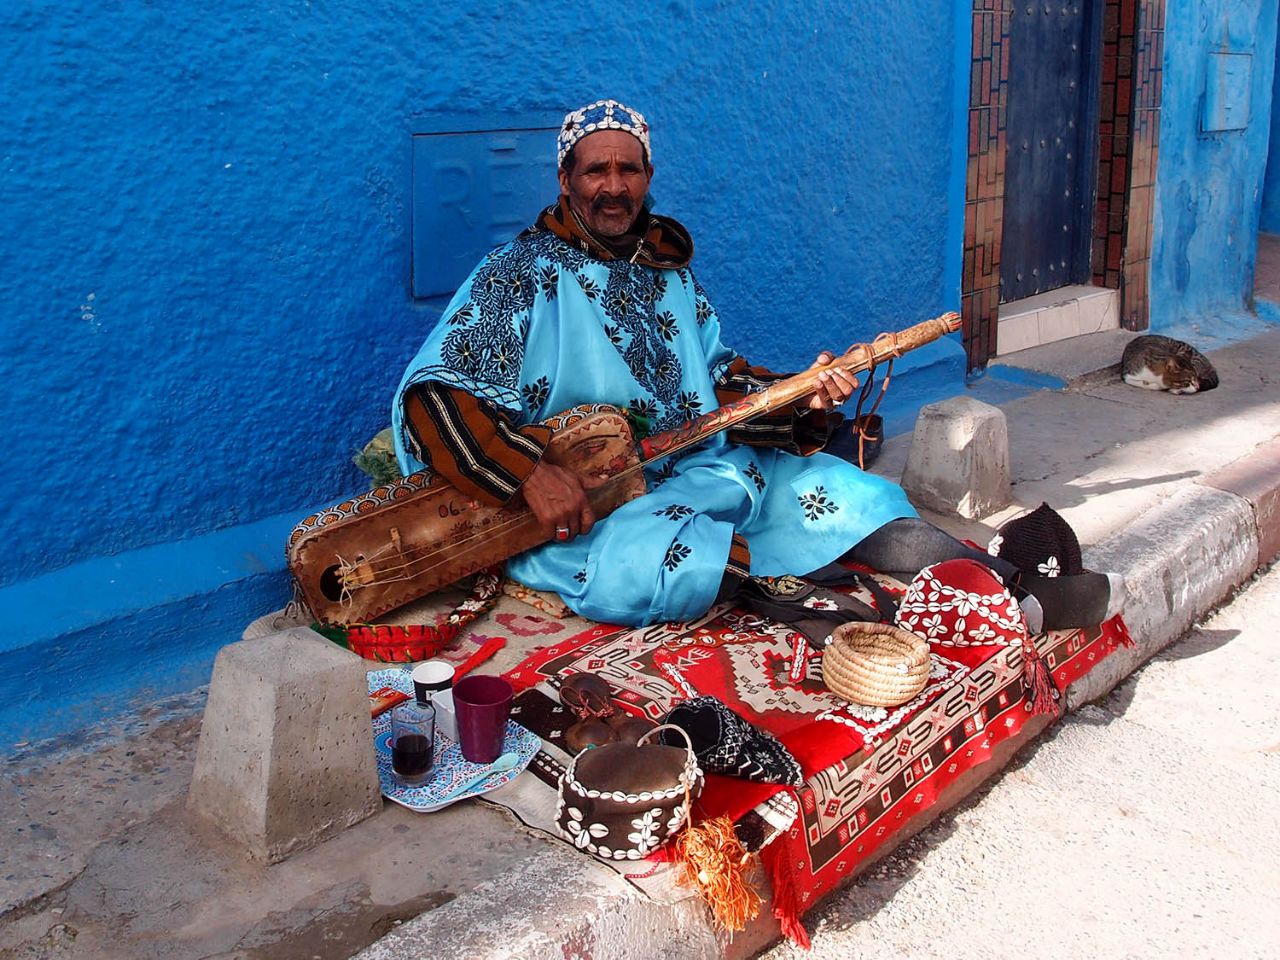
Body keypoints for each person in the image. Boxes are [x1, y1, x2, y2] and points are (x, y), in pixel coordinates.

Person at [392, 99, 1120, 631]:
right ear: (565, 179)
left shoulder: (668, 274)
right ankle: (856, 614)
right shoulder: (518, 276)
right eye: (595, 171)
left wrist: (797, 397)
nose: (612, 187)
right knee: (661, 562)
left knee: (844, 492)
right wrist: (531, 474)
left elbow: (715, 378)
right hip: (597, 505)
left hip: (704, 466)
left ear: (648, 176)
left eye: (627, 169)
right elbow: (436, 395)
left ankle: (1012, 587)